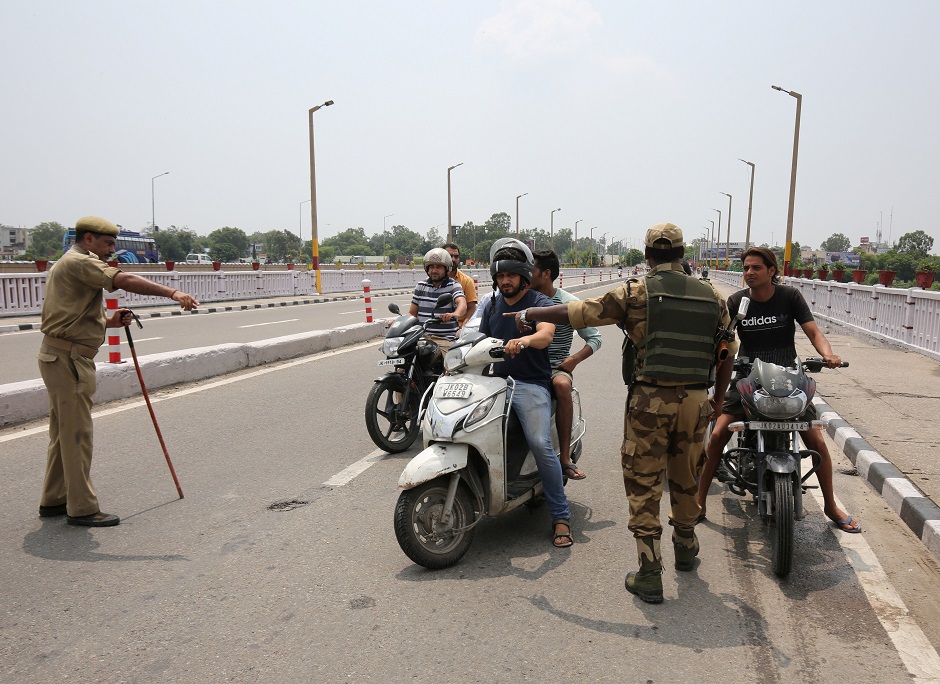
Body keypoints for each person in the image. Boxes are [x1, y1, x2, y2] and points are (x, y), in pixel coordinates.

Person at [508, 223, 734, 602]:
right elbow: (727, 351)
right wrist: (718, 400)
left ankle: (649, 572)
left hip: (650, 401)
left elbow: (582, 313)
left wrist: (532, 310)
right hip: (696, 400)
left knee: (644, 481)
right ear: (682, 254)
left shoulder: (636, 291)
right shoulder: (713, 296)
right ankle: (686, 546)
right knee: (686, 476)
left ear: (647, 255)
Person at [38, 216, 199, 527]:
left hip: (60, 355)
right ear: (88, 239)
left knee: (62, 435)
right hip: (68, 360)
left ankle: (54, 499)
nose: (111, 251)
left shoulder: (72, 264)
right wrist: (173, 294)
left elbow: (75, 313)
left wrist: (111, 321)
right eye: (107, 244)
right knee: (77, 436)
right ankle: (81, 508)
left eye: (113, 245)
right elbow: (123, 280)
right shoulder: (80, 261)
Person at [696, 247, 860, 533]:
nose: (749, 273)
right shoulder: (737, 302)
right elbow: (722, 340)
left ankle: (831, 505)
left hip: (788, 376)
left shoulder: (790, 297)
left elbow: (812, 331)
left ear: (772, 271)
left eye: (756, 268)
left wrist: (828, 354)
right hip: (748, 376)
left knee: (816, 439)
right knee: (720, 432)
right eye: (746, 268)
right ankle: (698, 502)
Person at [479, 239, 573, 549]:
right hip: (493, 384)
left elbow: (546, 335)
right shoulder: (491, 305)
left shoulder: (539, 304)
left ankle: (560, 515)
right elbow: (474, 340)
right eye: (499, 276)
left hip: (529, 384)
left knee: (538, 441)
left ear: (522, 275)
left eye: (510, 275)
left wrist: (526, 340)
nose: (504, 281)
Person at [529, 249, 602, 480]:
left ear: (546, 274)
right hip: (523, 366)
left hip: (553, 368)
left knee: (562, 386)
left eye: (531, 269)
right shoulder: (521, 298)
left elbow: (595, 338)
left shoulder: (569, 304)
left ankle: (565, 458)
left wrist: (572, 360)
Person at [409, 247, 466, 351]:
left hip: (444, 339)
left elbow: (462, 303)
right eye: (431, 267)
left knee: (448, 365)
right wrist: (398, 322)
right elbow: (412, 314)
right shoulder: (420, 286)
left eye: (439, 267)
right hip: (422, 338)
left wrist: (455, 314)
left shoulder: (453, 285)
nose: (434, 270)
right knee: (403, 361)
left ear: (446, 268)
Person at [443, 243, 477, 326]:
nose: (453, 259)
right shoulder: (432, 280)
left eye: (456, 256)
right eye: (450, 256)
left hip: (457, 329)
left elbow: (471, 308)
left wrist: (465, 325)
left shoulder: (466, 281)